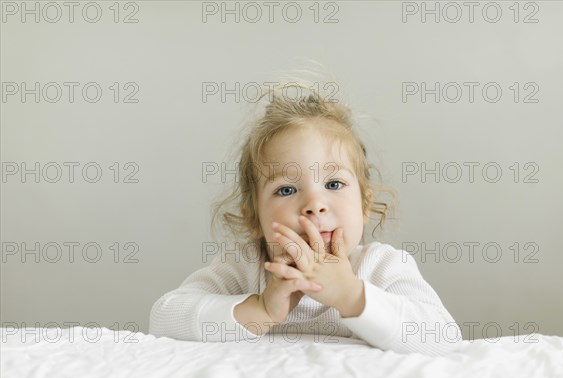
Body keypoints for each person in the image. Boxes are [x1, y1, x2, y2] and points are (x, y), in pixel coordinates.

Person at [149, 82, 462, 355]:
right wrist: (260, 309)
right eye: (286, 189)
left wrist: (351, 295)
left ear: (365, 205)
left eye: (333, 184)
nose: (314, 204)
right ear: (254, 219)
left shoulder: (382, 267)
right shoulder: (244, 267)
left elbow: (443, 337)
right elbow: (163, 318)